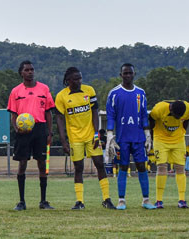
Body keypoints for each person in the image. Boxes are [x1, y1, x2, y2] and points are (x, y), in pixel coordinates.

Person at [55, 67, 112, 210]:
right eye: (76, 79)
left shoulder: (89, 90)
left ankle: (107, 199)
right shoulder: (61, 96)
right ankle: (79, 201)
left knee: (100, 164)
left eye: (80, 78)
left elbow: (94, 111)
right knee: (78, 168)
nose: (79, 81)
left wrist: (96, 134)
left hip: (91, 136)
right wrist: (63, 141)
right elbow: (60, 119)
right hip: (75, 138)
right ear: (68, 81)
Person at [7, 60, 55, 210]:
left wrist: (50, 132)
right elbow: (13, 114)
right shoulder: (16, 91)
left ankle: (43, 201)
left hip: (40, 129)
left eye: (32, 69)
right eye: (27, 70)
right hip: (23, 131)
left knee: (42, 164)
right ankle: (21, 201)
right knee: (22, 164)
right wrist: (16, 129)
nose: (30, 72)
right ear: (21, 73)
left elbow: (48, 112)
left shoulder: (44, 89)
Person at [105, 64, 152, 210]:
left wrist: (147, 134)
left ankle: (146, 200)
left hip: (138, 137)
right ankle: (121, 200)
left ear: (134, 73)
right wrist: (110, 136)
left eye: (130, 73)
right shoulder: (114, 93)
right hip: (122, 138)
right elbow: (111, 115)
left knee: (141, 167)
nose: (127, 75)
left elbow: (144, 114)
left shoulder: (141, 92)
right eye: (125, 73)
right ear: (121, 74)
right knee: (123, 167)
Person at [149, 99, 189, 208]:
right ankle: (159, 201)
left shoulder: (188, 108)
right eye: (176, 116)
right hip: (160, 139)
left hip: (178, 140)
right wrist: (151, 138)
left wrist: (183, 130)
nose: (178, 119)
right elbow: (151, 120)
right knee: (162, 167)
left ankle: (182, 200)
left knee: (180, 168)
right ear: (170, 109)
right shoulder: (159, 109)